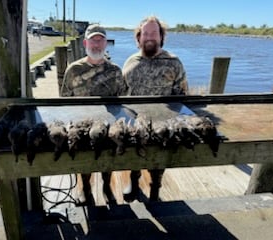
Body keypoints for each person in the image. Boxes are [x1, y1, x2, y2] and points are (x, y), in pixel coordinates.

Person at [122, 16, 188, 202]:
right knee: (134, 151)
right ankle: (134, 181)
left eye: (154, 33)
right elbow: (121, 93)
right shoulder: (130, 62)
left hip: (163, 122)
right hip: (135, 120)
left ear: (161, 36)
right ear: (139, 38)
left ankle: (155, 189)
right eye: (145, 33)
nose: (149, 37)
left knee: (159, 158)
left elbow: (182, 96)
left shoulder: (174, 62)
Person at [61, 24, 128, 204]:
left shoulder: (115, 71)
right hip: (81, 124)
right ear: (85, 43)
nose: (96, 45)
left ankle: (106, 185)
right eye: (93, 40)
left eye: (100, 40)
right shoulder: (73, 70)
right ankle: (85, 186)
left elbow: (123, 100)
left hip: (107, 123)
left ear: (106, 43)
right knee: (83, 155)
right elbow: (64, 100)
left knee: (108, 153)